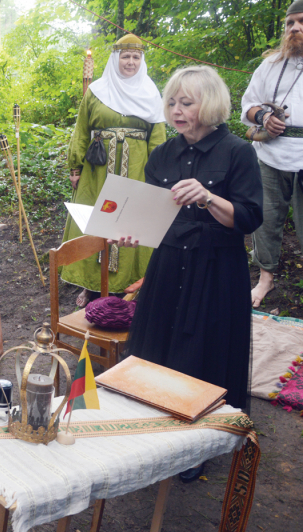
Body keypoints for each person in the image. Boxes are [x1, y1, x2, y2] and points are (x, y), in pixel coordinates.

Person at [124, 67, 262, 447]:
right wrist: (132, 232)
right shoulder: (162, 154)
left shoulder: (239, 152)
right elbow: (151, 214)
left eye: (186, 102)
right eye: (171, 102)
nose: (176, 110)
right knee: (159, 346)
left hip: (216, 268)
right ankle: (154, 427)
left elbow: (249, 219)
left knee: (205, 349)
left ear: (211, 104)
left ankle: (199, 442)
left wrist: (208, 196)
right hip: (168, 264)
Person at [62, 34, 167, 308]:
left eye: (135, 57)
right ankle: (93, 286)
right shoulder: (96, 90)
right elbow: (82, 129)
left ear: (141, 61)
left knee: (131, 223)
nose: (130, 62)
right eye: (125, 56)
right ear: (115, 58)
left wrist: (158, 173)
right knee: (96, 219)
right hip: (98, 171)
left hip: (136, 169)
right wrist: (75, 167)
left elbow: (157, 136)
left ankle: (129, 285)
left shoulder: (150, 92)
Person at [241, 0, 303, 308]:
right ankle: (265, 279)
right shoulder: (269, 65)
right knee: (265, 219)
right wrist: (264, 118)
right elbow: (248, 105)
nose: (295, 28)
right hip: (270, 154)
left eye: (301, 21)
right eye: (290, 23)